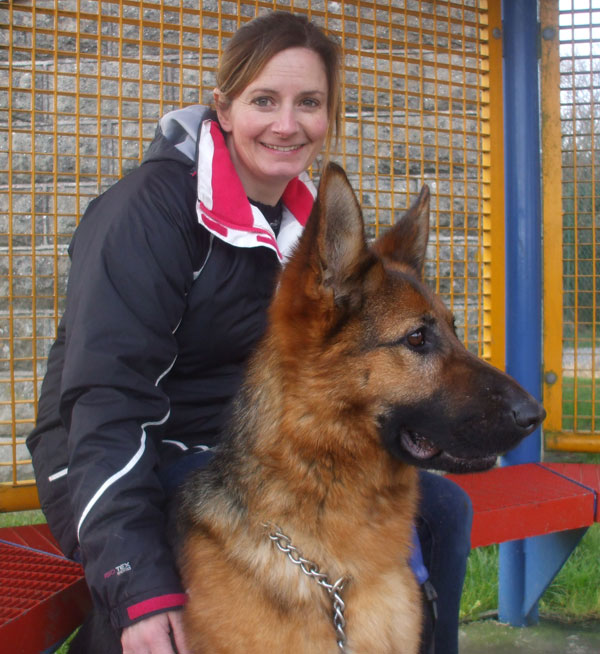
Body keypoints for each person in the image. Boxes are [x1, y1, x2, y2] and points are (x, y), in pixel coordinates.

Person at [26, 11, 472, 654]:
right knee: (216, 543)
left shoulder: (308, 225)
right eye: (265, 99)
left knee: (443, 512)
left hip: (239, 450)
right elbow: (104, 404)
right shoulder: (147, 214)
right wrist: (139, 590)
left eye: (309, 103)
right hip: (117, 457)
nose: (287, 124)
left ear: (329, 117)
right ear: (224, 107)